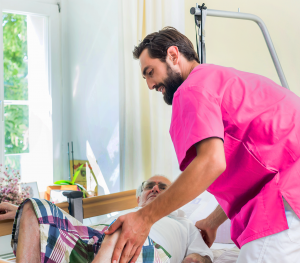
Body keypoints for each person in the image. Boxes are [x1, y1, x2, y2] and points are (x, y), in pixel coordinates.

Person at [105, 27, 300, 263]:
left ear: (173, 56)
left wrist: (144, 218)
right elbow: (249, 174)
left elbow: (211, 161)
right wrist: (212, 221)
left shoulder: (192, 89)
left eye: (150, 72)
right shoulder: (218, 80)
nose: (150, 85)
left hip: (286, 195)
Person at [0, 175, 213, 263]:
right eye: (150, 186)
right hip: (95, 242)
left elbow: (201, 257)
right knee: (32, 207)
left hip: (144, 250)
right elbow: (83, 231)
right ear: (139, 197)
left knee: (128, 226)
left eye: (163, 188)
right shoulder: (121, 213)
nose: (155, 188)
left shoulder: (185, 225)